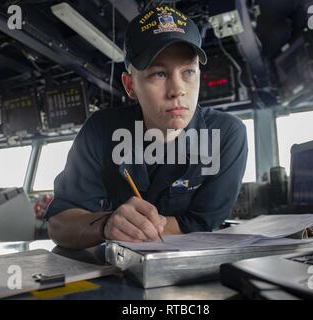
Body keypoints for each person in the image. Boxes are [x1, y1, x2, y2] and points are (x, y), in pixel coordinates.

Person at [46, 5, 248, 249]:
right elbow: (58, 225)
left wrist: (140, 230)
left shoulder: (227, 134)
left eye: (188, 72)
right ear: (130, 85)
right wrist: (106, 225)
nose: (177, 91)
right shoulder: (100, 130)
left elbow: (203, 222)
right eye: (159, 74)